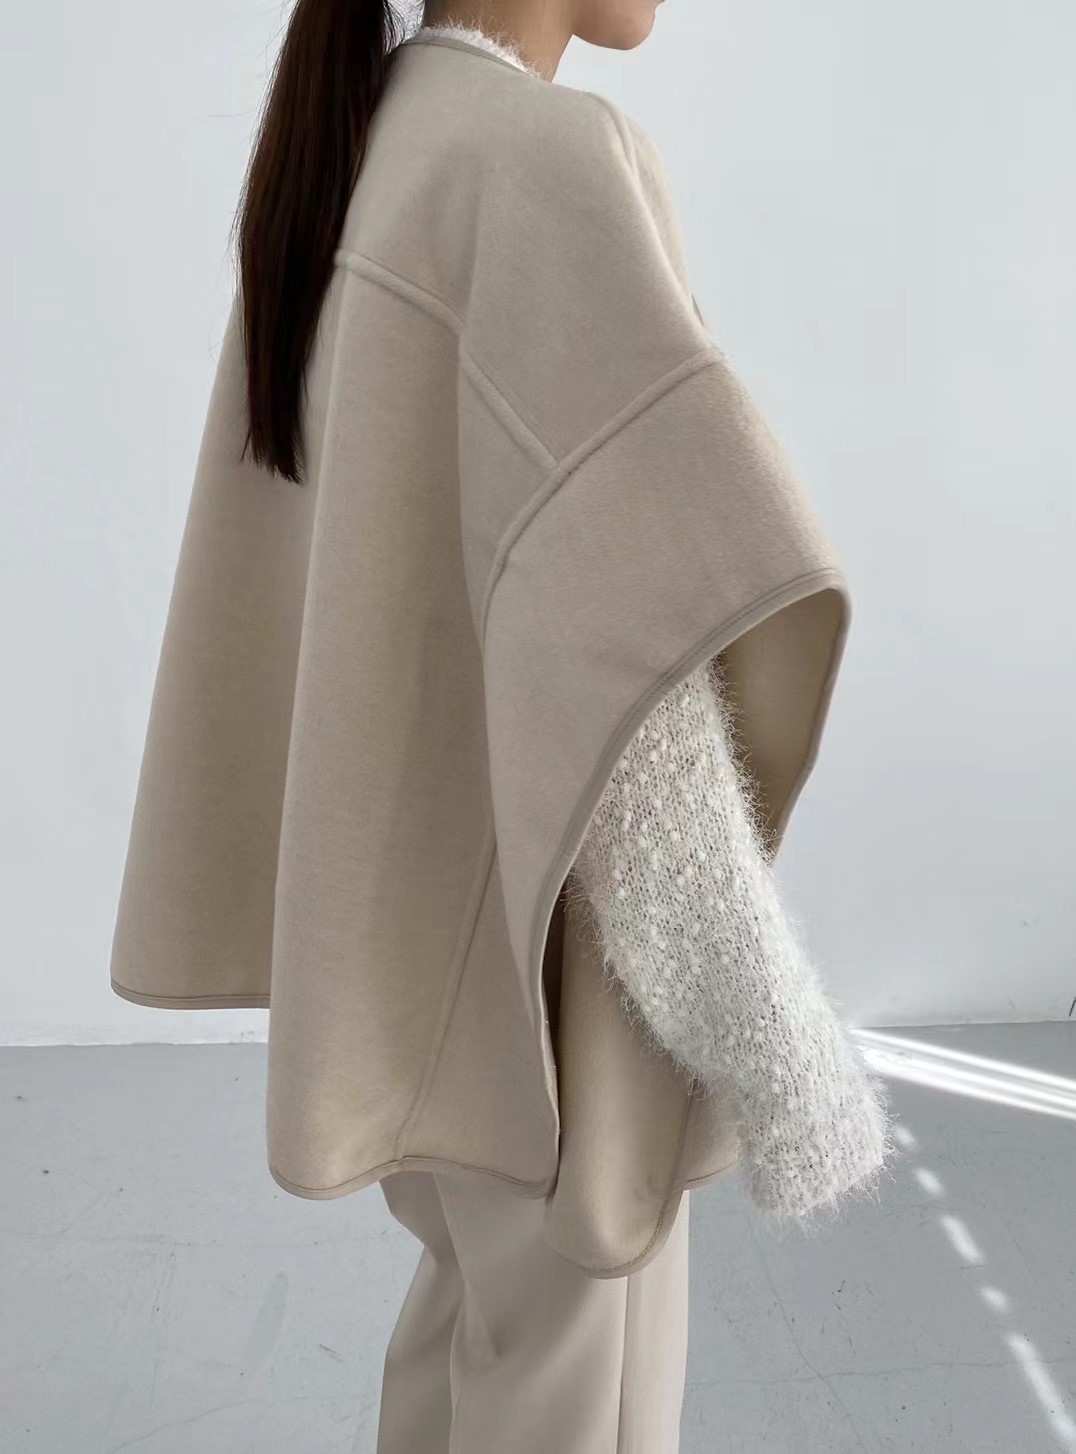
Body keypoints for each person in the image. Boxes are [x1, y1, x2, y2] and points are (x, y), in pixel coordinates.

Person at [110, 2, 894, 1449]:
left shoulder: (368, 142)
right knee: (577, 1380)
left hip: (417, 955)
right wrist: (749, 1011)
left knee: (468, 1333)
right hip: (548, 978)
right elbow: (649, 635)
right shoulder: (549, 161)